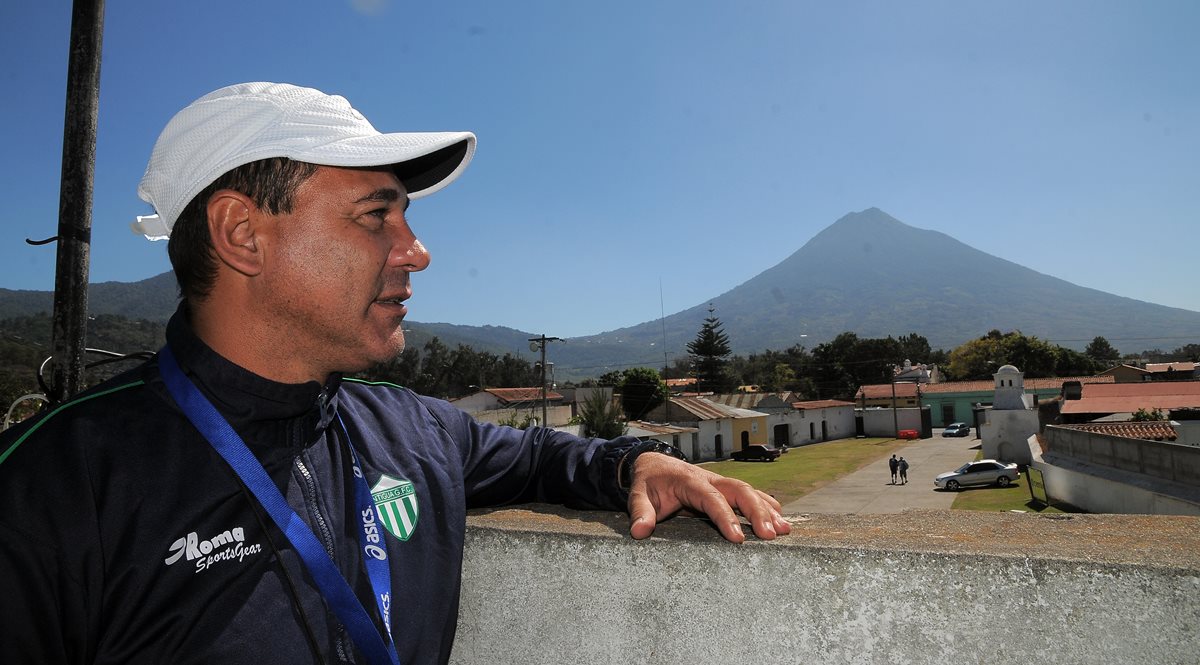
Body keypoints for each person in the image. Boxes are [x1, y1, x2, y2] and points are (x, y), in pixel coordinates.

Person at [0, 82, 791, 665]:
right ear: (242, 233)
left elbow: (545, 456)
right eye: (376, 214)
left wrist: (637, 460)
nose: (417, 249)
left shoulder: (408, 427)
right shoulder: (56, 484)